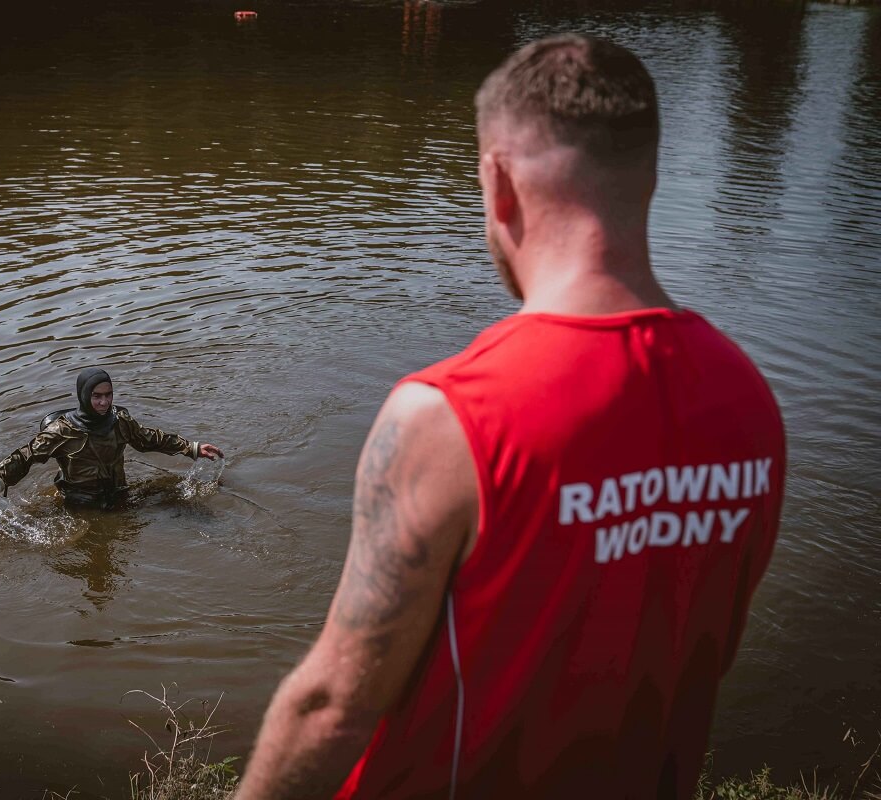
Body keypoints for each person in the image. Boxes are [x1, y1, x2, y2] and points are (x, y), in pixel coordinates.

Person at [237, 34, 786, 799]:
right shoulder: (748, 400)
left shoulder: (447, 416)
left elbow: (334, 705)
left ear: (498, 183)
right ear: (650, 178)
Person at [0, 367, 223, 509]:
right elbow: (25, 457)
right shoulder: (62, 431)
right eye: (96, 396)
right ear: (83, 396)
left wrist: (191, 447)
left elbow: (149, 439)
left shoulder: (120, 421)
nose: (104, 402)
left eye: (108, 395)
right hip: (79, 503)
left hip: (118, 495)